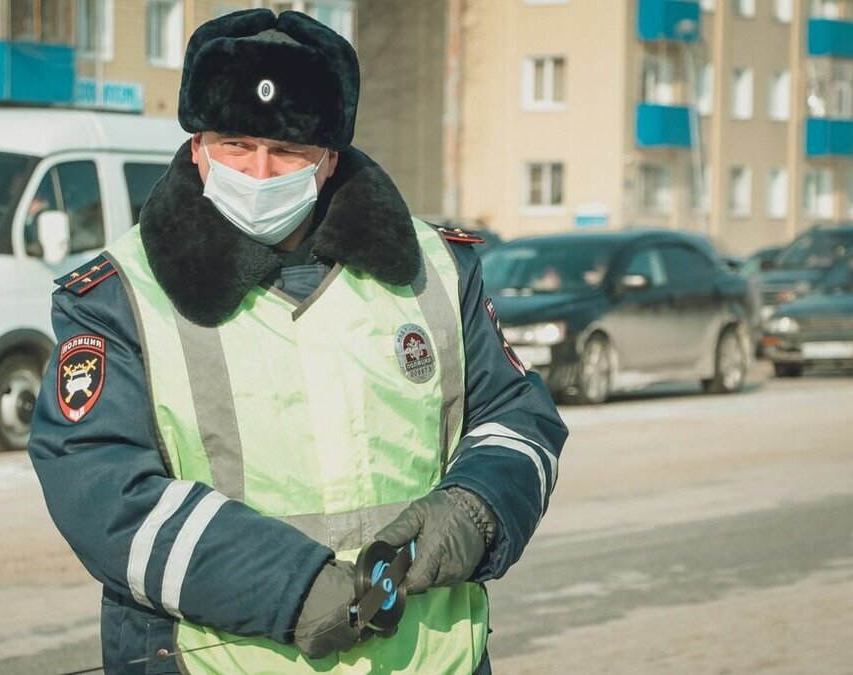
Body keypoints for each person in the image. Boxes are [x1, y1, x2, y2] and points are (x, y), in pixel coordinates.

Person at [28, 9, 567, 674]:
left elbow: (519, 419)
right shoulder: (119, 294)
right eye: (233, 145)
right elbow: (100, 485)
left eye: (286, 152)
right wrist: (291, 586)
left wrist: (472, 509)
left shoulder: (435, 267)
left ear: (329, 158)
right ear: (197, 145)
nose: (258, 171)